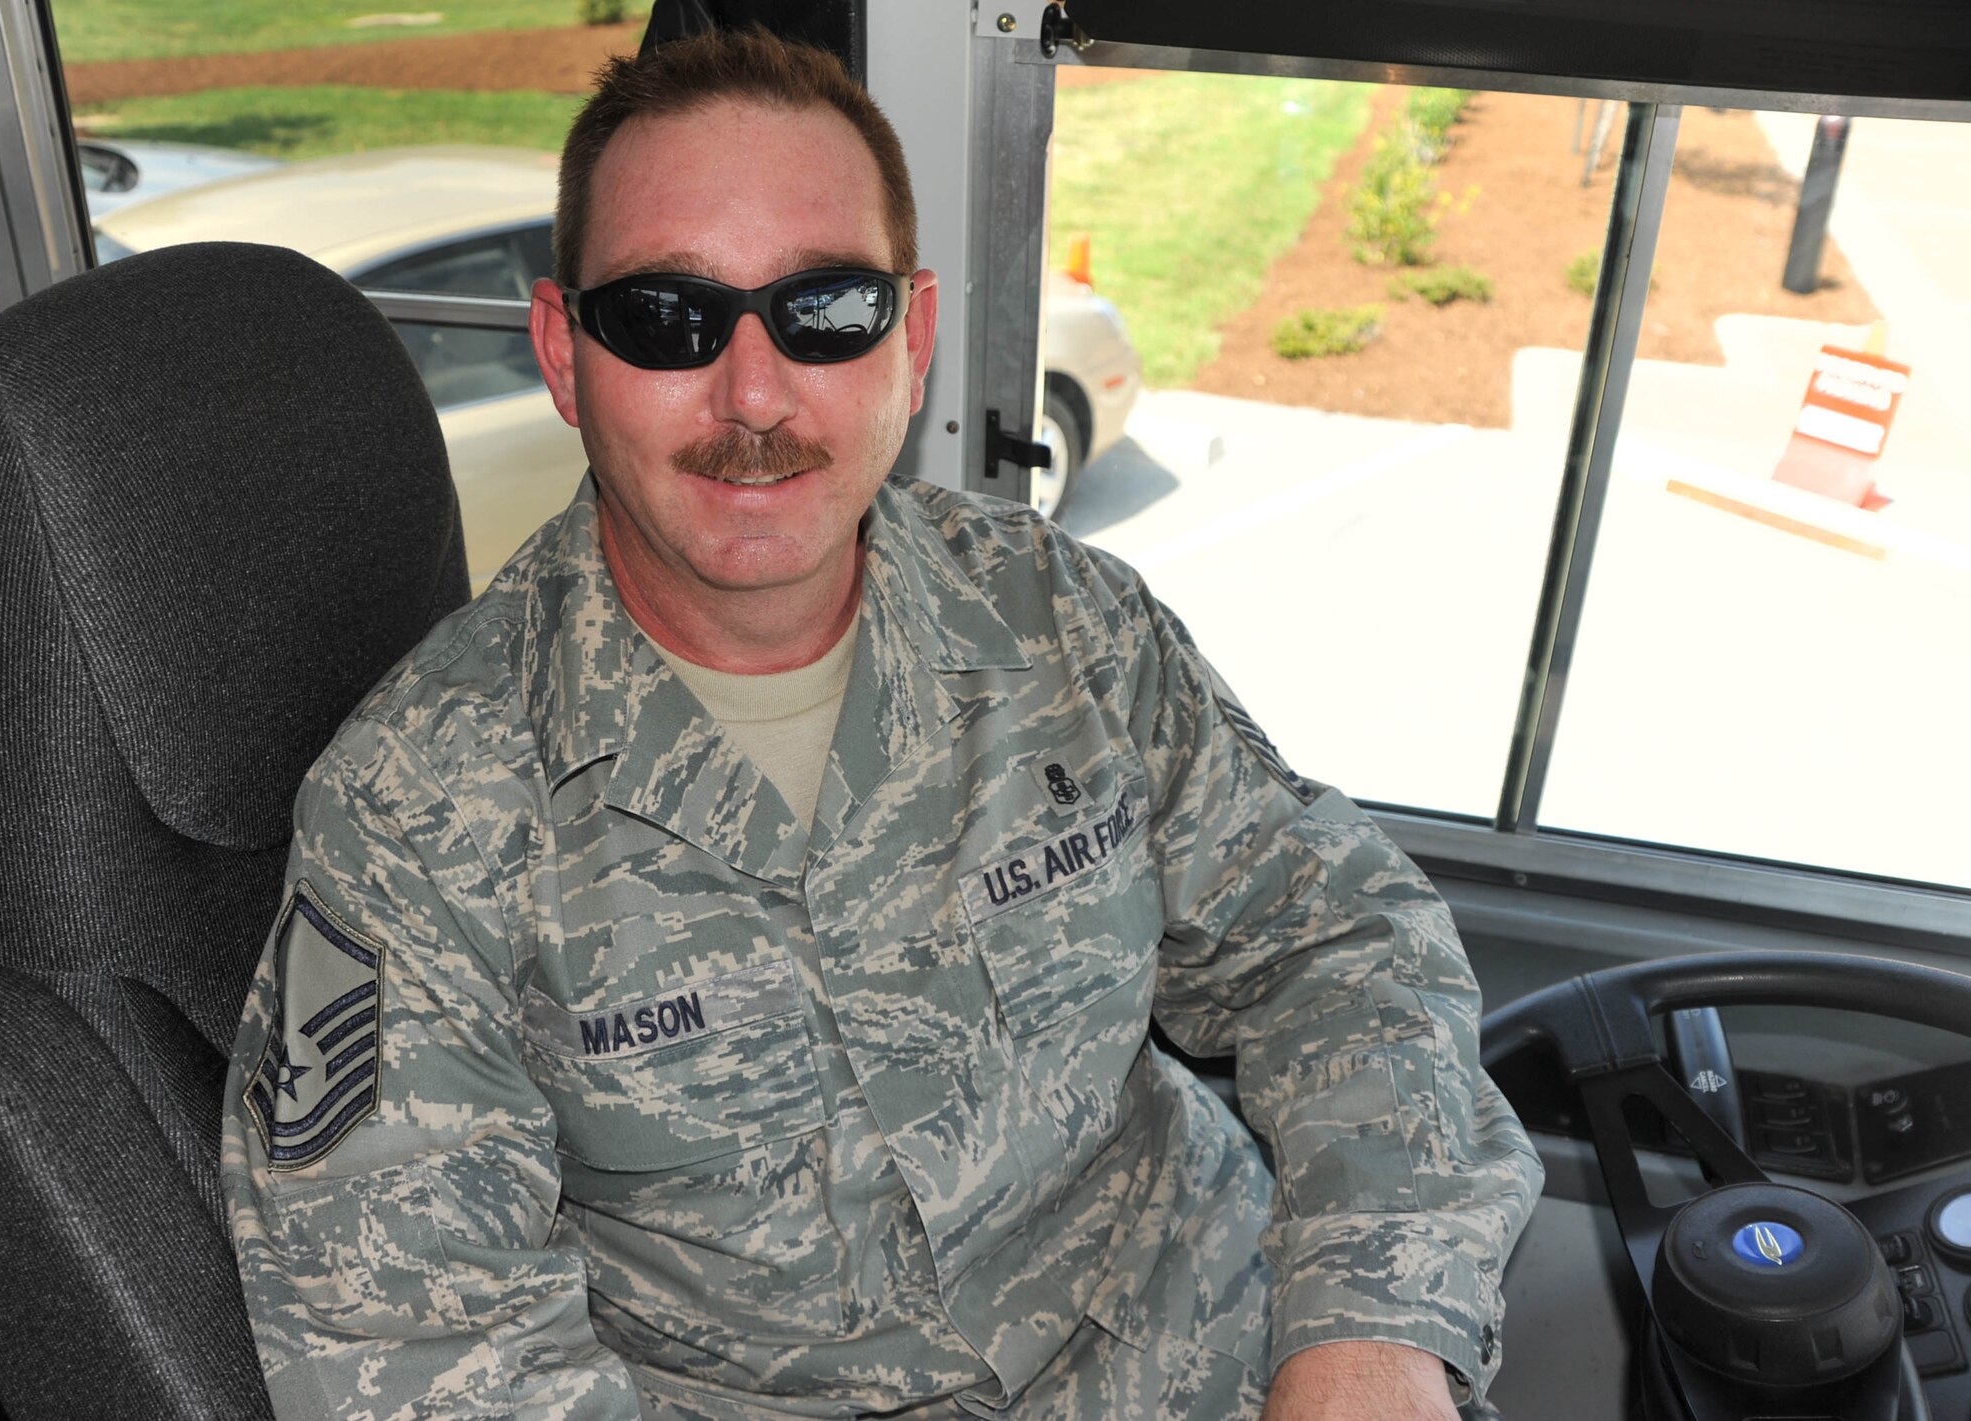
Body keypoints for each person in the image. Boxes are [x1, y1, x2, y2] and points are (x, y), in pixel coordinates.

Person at [221, 28, 1541, 1421]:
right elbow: (422, 1355)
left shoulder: (1060, 621)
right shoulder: (419, 814)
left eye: (827, 310)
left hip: (1231, 1348)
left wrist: (1370, 1333)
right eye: (667, 318)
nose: (753, 395)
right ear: (564, 352)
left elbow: (1336, 941)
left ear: (911, 339)